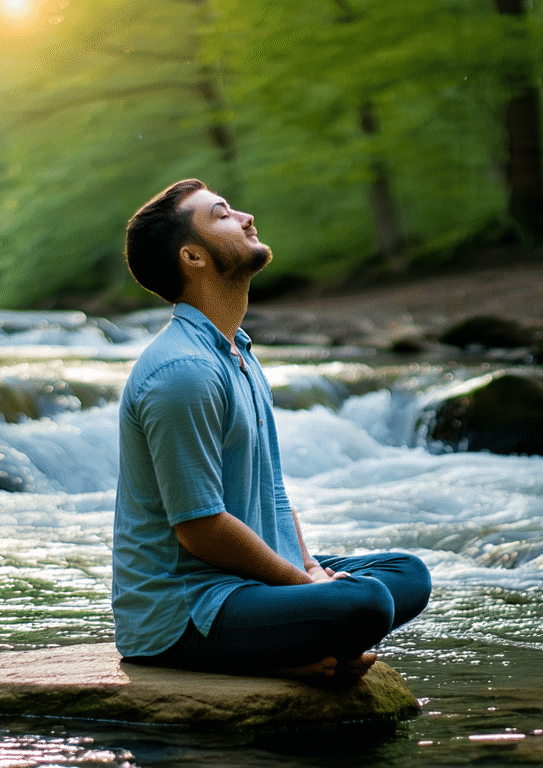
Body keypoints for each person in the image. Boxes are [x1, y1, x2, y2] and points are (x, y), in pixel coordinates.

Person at [112, 179, 431, 684]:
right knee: (366, 602)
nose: (245, 216)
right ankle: (283, 656)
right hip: (187, 611)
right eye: (222, 215)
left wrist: (309, 569)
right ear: (193, 257)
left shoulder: (235, 351)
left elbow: (274, 490)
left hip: (249, 586)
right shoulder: (183, 372)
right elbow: (200, 529)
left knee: (407, 574)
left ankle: (297, 640)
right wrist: (303, 588)